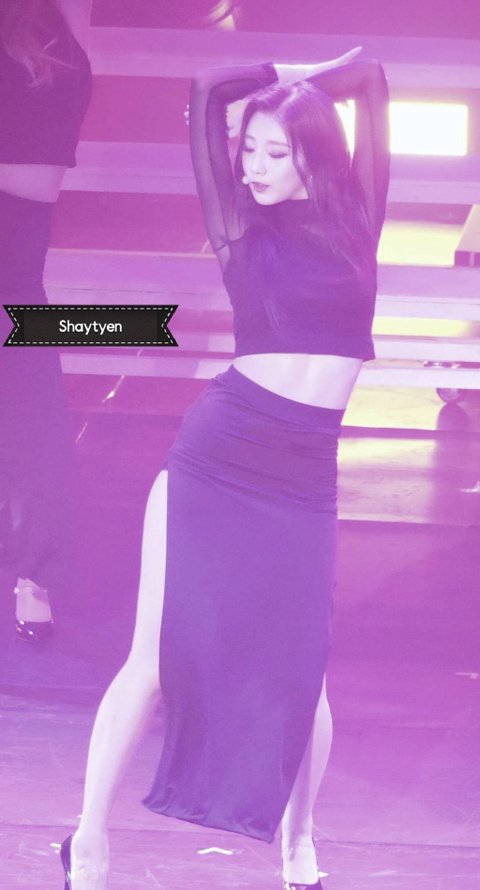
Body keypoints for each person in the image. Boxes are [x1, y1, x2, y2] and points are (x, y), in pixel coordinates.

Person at [60, 46, 390, 890]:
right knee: (153, 659)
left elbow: (370, 76)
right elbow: (208, 87)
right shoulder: (239, 226)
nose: (255, 167)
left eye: (277, 152)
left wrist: (301, 88)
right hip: (220, 461)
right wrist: (279, 82)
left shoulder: (358, 217)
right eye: (249, 151)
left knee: (304, 676)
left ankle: (298, 843)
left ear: (314, 154)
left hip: (305, 476)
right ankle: (88, 841)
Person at [0, 0, 92, 641]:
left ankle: (36, 576)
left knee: (34, 436)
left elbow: (42, 183)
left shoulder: (53, 56)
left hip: (9, 276)